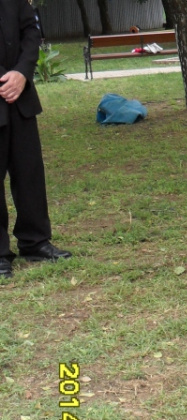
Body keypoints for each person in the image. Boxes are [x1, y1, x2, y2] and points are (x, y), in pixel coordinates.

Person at [1, 0, 73, 279]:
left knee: (29, 171)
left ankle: (35, 242)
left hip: (20, 97)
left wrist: (22, 72)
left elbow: (32, 30)